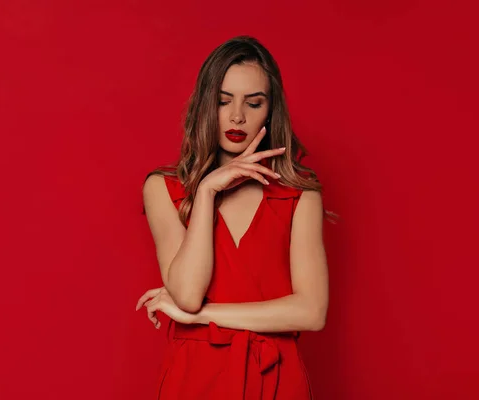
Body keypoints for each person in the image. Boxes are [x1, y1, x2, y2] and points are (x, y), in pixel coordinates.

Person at [136, 35, 336, 400]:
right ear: (204, 105)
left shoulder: (299, 194)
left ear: (271, 109)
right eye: (223, 101)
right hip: (193, 380)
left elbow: (311, 311)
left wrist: (199, 319)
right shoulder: (163, 188)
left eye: (253, 102)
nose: (237, 116)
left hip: (276, 379)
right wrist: (207, 192)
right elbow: (188, 294)